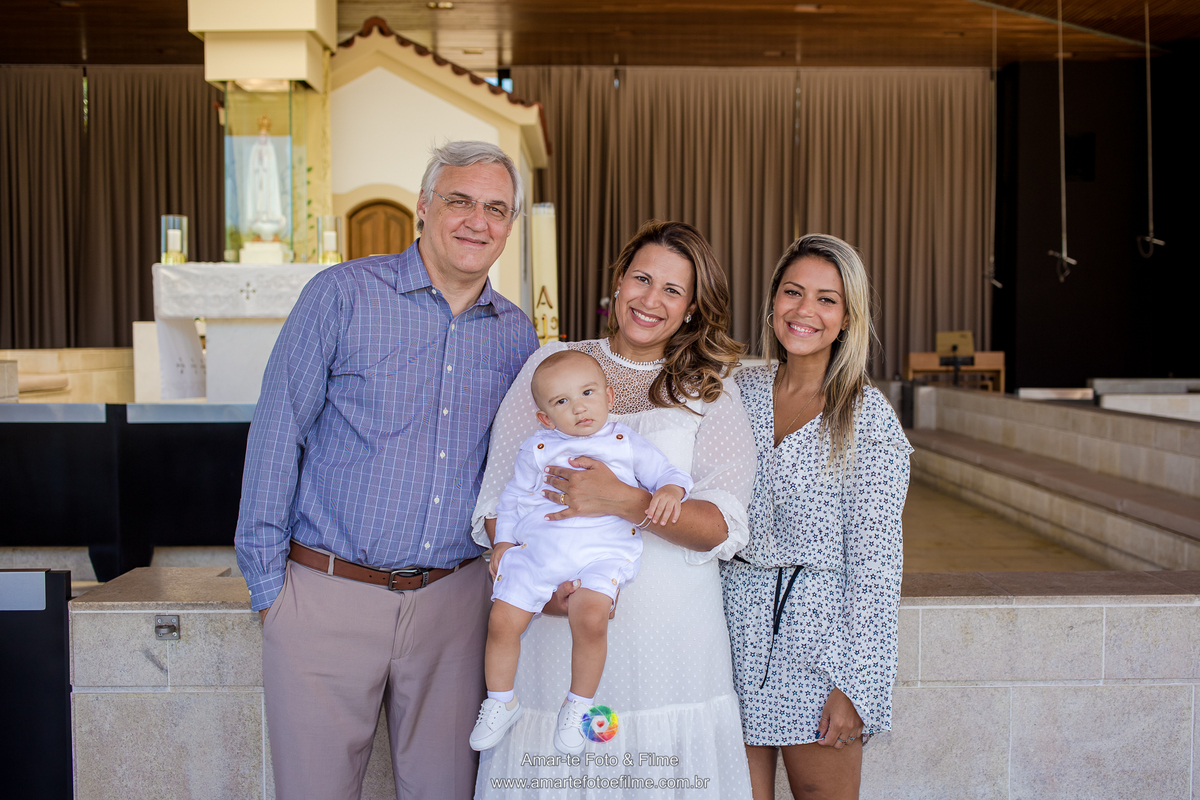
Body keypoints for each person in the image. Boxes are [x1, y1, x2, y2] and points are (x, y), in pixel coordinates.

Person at [234, 141, 539, 800]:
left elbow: (525, 470)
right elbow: (277, 430)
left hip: (455, 608)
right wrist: (271, 592)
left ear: (508, 227)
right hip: (327, 594)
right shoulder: (342, 295)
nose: (476, 221)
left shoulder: (518, 336)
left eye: (495, 208)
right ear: (424, 208)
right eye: (459, 200)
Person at [471, 220, 756, 798]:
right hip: (555, 626)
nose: (651, 299)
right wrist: (537, 586)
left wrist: (622, 500)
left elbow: (720, 527)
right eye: (642, 278)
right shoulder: (553, 365)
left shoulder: (711, 389)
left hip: (671, 642)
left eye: (673, 290)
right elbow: (499, 492)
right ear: (618, 281)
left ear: (693, 308)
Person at [721, 234, 911, 800]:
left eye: (826, 299)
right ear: (773, 302)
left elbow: (878, 564)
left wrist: (856, 684)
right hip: (726, 637)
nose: (805, 310)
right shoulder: (736, 392)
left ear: (848, 316)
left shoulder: (865, 417)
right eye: (793, 292)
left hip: (818, 648)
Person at [471, 350, 695, 756]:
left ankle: (578, 704)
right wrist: (503, 541)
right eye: (561, 402)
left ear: (609, 397)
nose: (578, 407)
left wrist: (669, 491)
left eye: (587, 393)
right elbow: (513, 499)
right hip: (539, 552)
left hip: (602, 552)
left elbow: (670, 473)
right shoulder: (536, 447)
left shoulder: (625, 442)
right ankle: (501, 700)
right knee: (502, 620)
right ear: (545, 418)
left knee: (591, 617)